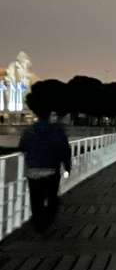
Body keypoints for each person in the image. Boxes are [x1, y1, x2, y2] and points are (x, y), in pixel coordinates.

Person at [18, 93, 71, 232]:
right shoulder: (58, 130)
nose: (55, 118)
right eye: (53, 115)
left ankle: (39, 225)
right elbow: (65, 150)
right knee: (52, 198)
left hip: (33, 171)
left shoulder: (29, 130)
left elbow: (22, 146)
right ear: (49, 116)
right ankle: (47, 221)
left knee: (36, 200)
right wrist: (67, 168)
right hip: (51, 170)